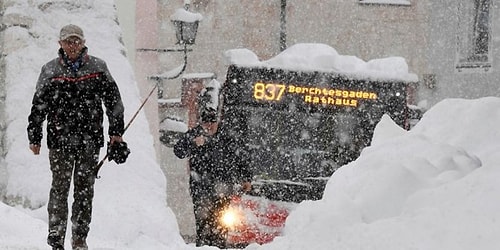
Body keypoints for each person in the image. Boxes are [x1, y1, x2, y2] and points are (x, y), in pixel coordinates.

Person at [27, 24, 125, 250]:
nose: (73, 45)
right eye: (68, 41)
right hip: (59, 140)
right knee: (59, 188)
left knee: (84, 191)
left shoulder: (98, 68)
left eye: (76, 41)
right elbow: (38, 105)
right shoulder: (50, 70)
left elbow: (114, 102)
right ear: (59, 43)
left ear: (83, 43)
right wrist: (35, 136)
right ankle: (56, 235)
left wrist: (116, 133)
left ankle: (80, 237)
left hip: (89, 141)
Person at [174, 107, 252, 248]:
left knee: (222, 226)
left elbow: (241, 157)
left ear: (217, 122)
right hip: (201, 190)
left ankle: (219, 246)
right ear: (201, 123)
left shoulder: (226, 137)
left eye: (212, 123)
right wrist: (193, 144)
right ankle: (203, 245)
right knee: (203, 226)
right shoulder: (194, 135)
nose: (209, 127)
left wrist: (246, 178)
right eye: (206, 123)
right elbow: (178, 151)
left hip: (223, 190)